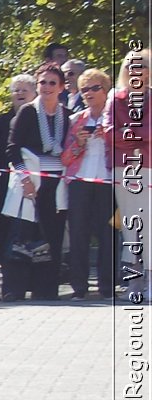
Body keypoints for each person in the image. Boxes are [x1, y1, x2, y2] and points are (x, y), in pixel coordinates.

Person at [7, 62, 74, 300]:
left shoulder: (67, 116)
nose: (46, 87)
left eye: (52, 83)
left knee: (52, 237)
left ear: (61, 87)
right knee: (24, 237)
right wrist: (25, 179)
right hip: (30, 183)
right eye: (42, 82)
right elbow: (12, 149)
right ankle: (16, 290)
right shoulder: (27, 112)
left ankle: (46, 290)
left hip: (57, 185)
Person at [61, 69, 115, 298]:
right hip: (80, 181)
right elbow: (65, 157)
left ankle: (107, 285)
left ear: (106, 90)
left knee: (109, 234)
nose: (89, 93)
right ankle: (79, 286)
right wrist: (79, 143)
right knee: (78, 233)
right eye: (84, 89)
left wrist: (108, 137)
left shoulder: (116, 118)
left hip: (108, 180)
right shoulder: (76, 119)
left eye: (95, 88)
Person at [0, 74, 35, 300]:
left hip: (36, 189)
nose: (21, 93)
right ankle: (10, 288)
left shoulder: (41, 120)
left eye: (25, 89)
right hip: (4, 192)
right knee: (6, 239)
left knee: (34, 240)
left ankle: (36, 285)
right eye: (16, 90)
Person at [108, 50, 150, 299]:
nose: (138, 72)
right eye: (133, 67)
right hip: (122, 168)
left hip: (148, 167)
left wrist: (128, 133)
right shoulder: (116, 97)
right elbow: (109, 132)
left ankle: (150, 280)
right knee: (131, 227)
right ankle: (134, 284)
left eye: (143, 67)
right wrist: (138, 135)